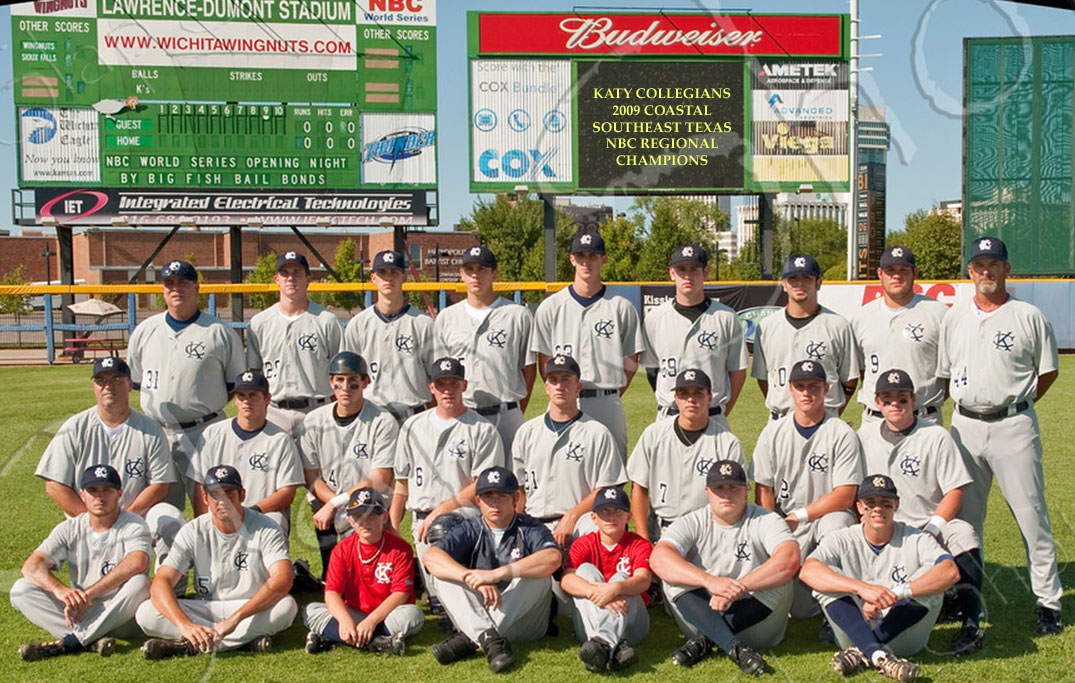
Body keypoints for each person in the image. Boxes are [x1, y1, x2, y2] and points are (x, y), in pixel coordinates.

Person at [938, 236, 1063, 634]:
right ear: (970, 271)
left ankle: (1048, 603)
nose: (986, 271)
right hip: (965, 425)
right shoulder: (955, 318)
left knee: (1031, 517)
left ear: (1007, 269)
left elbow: (1047, 373)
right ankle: (967, 600)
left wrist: (1015, 405)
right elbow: (945, 374)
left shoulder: (1028, 315)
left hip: (1013, 425)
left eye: (994, 264)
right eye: (979, 265)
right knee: (965, 521)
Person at [858, 369, 985, 655]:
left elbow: (956, 490)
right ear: (877, 402)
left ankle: (970, 622)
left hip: (927, 525)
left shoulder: (936, 435)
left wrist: (934, 528)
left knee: (963, 533)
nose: (895, 404)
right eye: (887, 398)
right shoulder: (863, 436)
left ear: (913, 399)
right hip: (881, 526)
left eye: (902, 397)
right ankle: (839, 616)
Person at [799, 475, 959, 682]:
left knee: (931, 580)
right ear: (859, 507)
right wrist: (860, 589)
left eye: (886, 503)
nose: (878, 509)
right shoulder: (842, 538)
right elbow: (808, 571)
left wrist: (898, 593)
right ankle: (879, 656)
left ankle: (863, 651)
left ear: (896, 505)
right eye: (871, 503)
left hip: (904, 636)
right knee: (826, 578)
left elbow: (950, 571)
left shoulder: (916, 538)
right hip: (855, 626)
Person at [649, 460, 800, 675]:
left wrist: (737, 587)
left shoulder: (766, 518)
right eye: (720, 488)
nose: (726, 495)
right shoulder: (693, 520)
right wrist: (709, 581)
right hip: (702, 615)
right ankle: (734, 648)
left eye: (733, 488)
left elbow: (790, 558)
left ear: (746, 490)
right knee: (672, 575)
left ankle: (705, 641)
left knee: (781, 579)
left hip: (756, 625)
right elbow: (659, 558)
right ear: (707, 491)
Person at [35, 357, 184, 569]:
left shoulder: (150, 429)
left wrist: (125, 521)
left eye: (116, 379)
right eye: (101, 381)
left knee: (170, 519)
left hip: (136, 514)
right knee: (35, 577)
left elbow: (160, 485)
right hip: (87, 517)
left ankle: (170, 591)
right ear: (94, 386)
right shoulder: (75, 427)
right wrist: (92, 520)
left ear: (130, 385)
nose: (108, 386)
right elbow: (54, 484)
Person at [135, 465, 297, 658]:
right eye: (215, 495)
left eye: (229, 493)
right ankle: (241, 642)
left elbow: (283, 578)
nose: (223, 501)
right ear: (205, 498)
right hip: (206, 607)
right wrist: (185, 625)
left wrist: (234, 620)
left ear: (242, 495)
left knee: (286, 607)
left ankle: (186, 647)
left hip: (249, 607)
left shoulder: (266, 527)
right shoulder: (193, 530)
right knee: (146, 613)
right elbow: (161, 582)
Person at [127, 260, 245, 509]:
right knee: (162, 511)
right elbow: (137, 381)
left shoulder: (219, 332)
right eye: (169, 284)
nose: (176, 289)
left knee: (212, 508)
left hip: (205, 430)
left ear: (196, 288)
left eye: (183, 282)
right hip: (156, 432)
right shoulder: (145, 331)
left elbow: (236, 385)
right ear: (162, 289)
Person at [750, 360, 863, 620]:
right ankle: (820, 598)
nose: (806, 392)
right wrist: (772, 531)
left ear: (826, 389)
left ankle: (843, 604)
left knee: (836, 526)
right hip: (788, 520)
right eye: (800, 386)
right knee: (799, 610)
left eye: (813, 386)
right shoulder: (773, 432)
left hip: (827, 516)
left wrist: (799, 516)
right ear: (790, 389)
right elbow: (763, 488)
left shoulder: (841, 433)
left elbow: (845, 494)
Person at [422, 466, 562, 673]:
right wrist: (469, 577)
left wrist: (497, 574)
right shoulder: (471, 527)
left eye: (502, 496)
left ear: (516, 498)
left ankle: (471, 639)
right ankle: (489, 640)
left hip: (525, 623)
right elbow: (430, 557)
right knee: (442, 576)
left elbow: (553, 558)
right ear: (478, 500)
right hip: (483, 612)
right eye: (488, 497)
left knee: (538, 577)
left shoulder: (529, 528)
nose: (495, 503)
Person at [390, 357, 504, 598]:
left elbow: (483, 487)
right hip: (421, 520)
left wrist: (443, 509)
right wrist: (392, 526)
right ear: (431, 388)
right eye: (441, 384)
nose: (447, 390)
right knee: (437, 599)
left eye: (453, 383)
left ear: (464, 385)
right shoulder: (412, 427)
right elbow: (401, 482)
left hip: (463, 518)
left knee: (460, 596)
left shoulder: (481, 429)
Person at [11, 465, 151, 661]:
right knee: (21, 589)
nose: (100, 497)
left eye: (106, 490)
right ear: (82, 495)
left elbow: (137, 562)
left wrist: (88, 595)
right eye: (93, 491)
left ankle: (73, 642)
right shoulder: (70, 528)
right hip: (81, 611)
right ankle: (92, 640)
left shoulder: (133, 524)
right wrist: (60, 590)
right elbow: (32, 566)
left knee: (139, 583)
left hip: (122, 612)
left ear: (119, 493)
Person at [531, 229, 642, 458]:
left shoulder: (621, 307)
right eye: (581, 255)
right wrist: (562, 392)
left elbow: (632, 360)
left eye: (593, 256)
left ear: (603, 259)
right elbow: (544, 362)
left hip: (607, 400)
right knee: (563, 472)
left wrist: (612, 391)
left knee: (612, 479)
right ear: (572, 259)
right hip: (564, 401)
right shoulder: (551, 307)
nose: (586, 261)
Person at [512, 354, 627, 548]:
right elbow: (519, 490)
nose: (560, 386)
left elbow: (606, 488)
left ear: (578, 387)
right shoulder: (527, 432)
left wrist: (572, 516)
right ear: (547, 388)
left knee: (594, 532)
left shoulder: (597, 433)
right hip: (534, 522)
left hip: (581, 523)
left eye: (566, 379)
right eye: (554, 380)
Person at [300, 351, 398, 576]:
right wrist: (332, 503)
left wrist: (339, 504)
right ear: (331, 381)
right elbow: (310, 475)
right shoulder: (313, 420)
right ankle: (330, 575)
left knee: (359, 570)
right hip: (324, 501)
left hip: (367, 502)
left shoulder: (382, 421)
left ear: (365, 382)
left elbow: (380, 478)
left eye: (353, 382)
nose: (345, 387)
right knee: (333, 575)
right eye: (340, 381)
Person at [432, 245, 536, 453]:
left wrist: (514, 409)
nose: (475, 275)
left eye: (482, 269)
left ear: (494, 273)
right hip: (463, 414)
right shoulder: (447, 318)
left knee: (509, 482)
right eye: (469, 269)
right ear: (461, 274)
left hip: (506, 414)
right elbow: (439, 375)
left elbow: (529, 371)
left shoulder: (518, 315)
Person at [628, 368, 746, 542]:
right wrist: (643, 539)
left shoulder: (727, 442)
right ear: (676, 398)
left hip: (708, 534)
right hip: (662, 532)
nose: (691, 399)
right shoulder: (653, 434)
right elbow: (639, 488)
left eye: (698, 393)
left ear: (709, 397)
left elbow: (737, 496)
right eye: (684, 393)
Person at [302, 488, 424, 655]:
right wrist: (344, 620)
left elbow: (400, 594)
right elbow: (332, 592)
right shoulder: (342, 549)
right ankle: (380, 643)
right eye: (358, 517)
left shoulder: (400, 548)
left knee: (413, 615)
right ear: (350, 521)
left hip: (387, 615)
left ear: (384, 516)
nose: (365, 522)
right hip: (355, 613)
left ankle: (333, 637)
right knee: (310, 611)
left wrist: (372, 621)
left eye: (372, 516)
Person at [187, 370, 304, 536]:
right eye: (241, 395)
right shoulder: (212, 434)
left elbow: (286, 493)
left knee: (275, 520)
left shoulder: (280, 440)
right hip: (220, 516)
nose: (246, 401)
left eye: (253, 395)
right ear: (235, 399)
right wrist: (205, 522)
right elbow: (200, 484)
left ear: (267, 399)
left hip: (261, 515)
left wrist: (248, 514)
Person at [641, 243, 748, 421]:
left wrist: (721, 412)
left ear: (706, 272)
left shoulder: (726, 317)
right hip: (669, 416)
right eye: (682, 269)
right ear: (672, 273)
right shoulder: (655, 318)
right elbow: (652, 371)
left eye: (694, 269)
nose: (688, 275)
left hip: (712, 415)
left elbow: (737, 372)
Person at [246, 251, 344, 437]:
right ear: (277, 279)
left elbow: (340, 373)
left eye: (297, 273)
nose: (291, 278)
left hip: (316, 410)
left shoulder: (326, 321)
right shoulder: (259, 323)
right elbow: (254, 373)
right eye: (285, 273)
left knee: (320, 466)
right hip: (274, 411)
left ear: (308, 279)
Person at [751, 254, 858, 420]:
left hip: (825, 420)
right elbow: (764, 379)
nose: (799, 284)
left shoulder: (838, 325)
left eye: (806, 278)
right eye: (793, 278)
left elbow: (849, 380)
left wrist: (830, 415)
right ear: (784, 284)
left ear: (818, 283)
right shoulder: (767, 327)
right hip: (780, 420)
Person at [851, 246, 948, 426]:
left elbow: (948, 372)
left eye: (903, 270)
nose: (897, 276)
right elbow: (862, 371)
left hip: (924, 417)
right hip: (875, 419)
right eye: (890, 270)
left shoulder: (938, 313)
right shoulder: (862, 317)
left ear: (914, 272)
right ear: (880, 273)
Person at [560, 487, 651, 673]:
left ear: (628, 517)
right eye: (605, 512)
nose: (611, 517)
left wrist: (615, 589)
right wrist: (597, 592)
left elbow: (643, 580)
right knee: (584, 570)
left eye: (618, 511)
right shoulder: (583, 544)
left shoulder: (638, 544)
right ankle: (615, 648)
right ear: (594, 518)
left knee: (622, 577)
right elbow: (566, 579)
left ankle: (601, 645)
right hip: (588, 627)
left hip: (633, 626)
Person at [343, 249, 433, 424]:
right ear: (373, 278)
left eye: (394, 272)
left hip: (414, 414)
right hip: (372, 416)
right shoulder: (358, 324)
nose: (388, 278)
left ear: (404, 277)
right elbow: (348, 375)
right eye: (382, 273)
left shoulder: (424, 323)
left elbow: (436, 378)